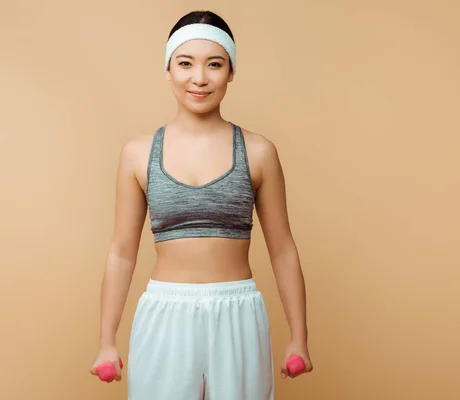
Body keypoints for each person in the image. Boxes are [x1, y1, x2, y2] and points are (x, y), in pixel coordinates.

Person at [89, 10, 313, 400]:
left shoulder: (259, 152)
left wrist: (299, 337)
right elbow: (122, 253)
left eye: (214, 64)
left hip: (238, 314)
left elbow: (283, 250)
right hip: (165, 314)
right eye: (185, 63)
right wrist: (106, 340)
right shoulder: (137, 154)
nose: (199, 78)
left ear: (230, 72)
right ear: (168, 69)